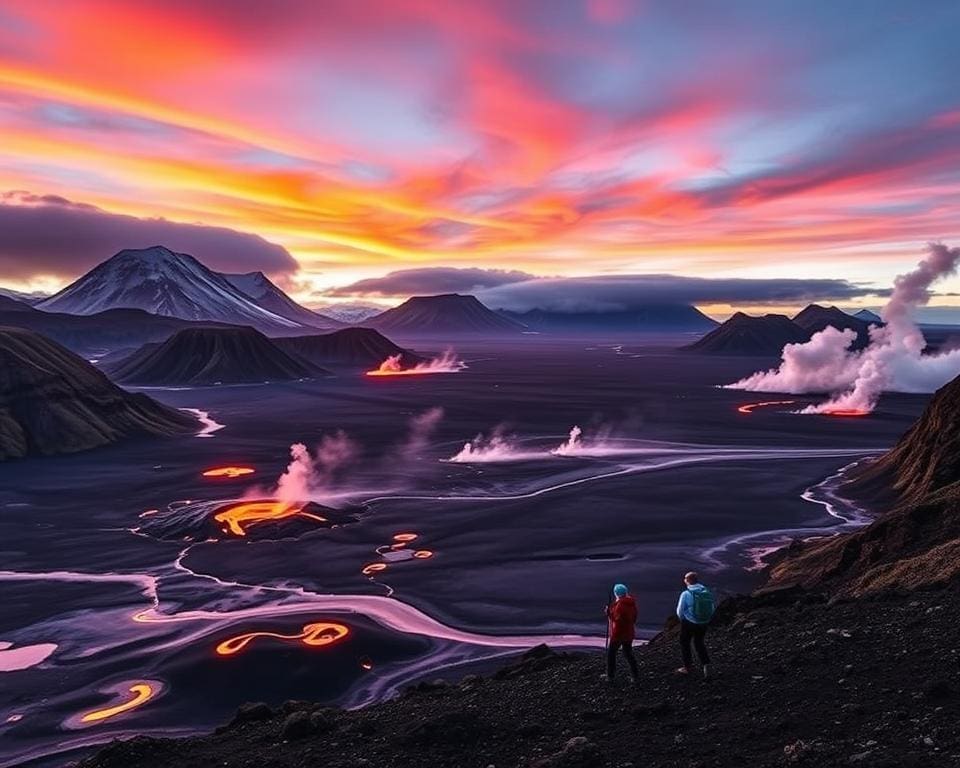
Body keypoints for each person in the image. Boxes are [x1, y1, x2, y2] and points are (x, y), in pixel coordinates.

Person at [676, 571, 714, 677]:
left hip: (690, 622)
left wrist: (683, 620)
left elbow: (679, 611)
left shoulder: (686, 594)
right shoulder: (705, 591)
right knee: (699, 643)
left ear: (688, 581)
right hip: (704, 622)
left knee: (685, 643)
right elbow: (712, 607)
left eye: (685, 578)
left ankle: (687, 667)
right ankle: (706, 665)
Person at [605, 582, 640, 685]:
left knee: (611, 654)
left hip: (618, 634)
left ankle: (610, 676)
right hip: (629, 633)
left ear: (616, 593)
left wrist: (608, 614)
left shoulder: (620, 605)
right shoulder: (631, 604)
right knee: (628, 654)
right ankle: (635, 675)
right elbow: (633, 618)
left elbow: (617, 620)